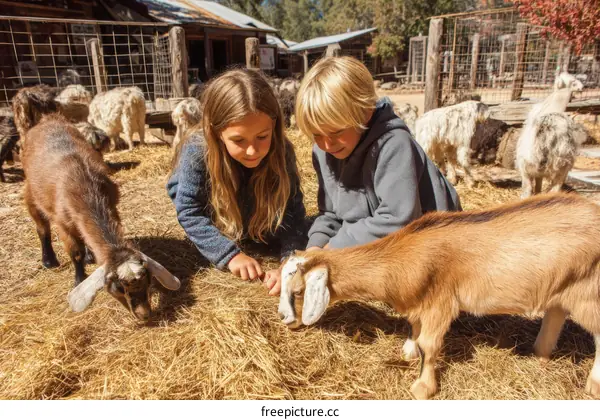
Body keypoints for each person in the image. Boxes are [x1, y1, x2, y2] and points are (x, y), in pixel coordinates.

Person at [167, 69, 306, 286]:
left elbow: (294, 214)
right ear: (217, 132)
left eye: (262, 136)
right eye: (239, 140)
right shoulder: (197, 151)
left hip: (257, 222)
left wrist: (289, 261)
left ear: (274, 125)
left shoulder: (282, 151)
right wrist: (229, 255)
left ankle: (252, 228)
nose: (252, 150)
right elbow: (189, 210)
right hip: (218, 214)